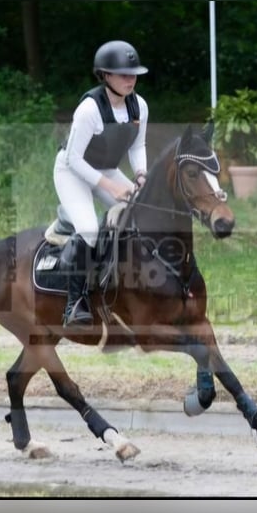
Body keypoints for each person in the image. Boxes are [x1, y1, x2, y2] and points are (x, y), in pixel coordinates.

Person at [53, 40, 150, 328]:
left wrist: (141, 175)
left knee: (140, 217)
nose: (130, 79)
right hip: (72, 172)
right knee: (90, 229)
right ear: (105, 75)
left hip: (104, 169)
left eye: (133, 74)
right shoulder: (89, 110)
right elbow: (73, 160)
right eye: (123, 74)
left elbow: (138, 145)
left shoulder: (139, 105)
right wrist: (111, 187)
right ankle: (75, 303)